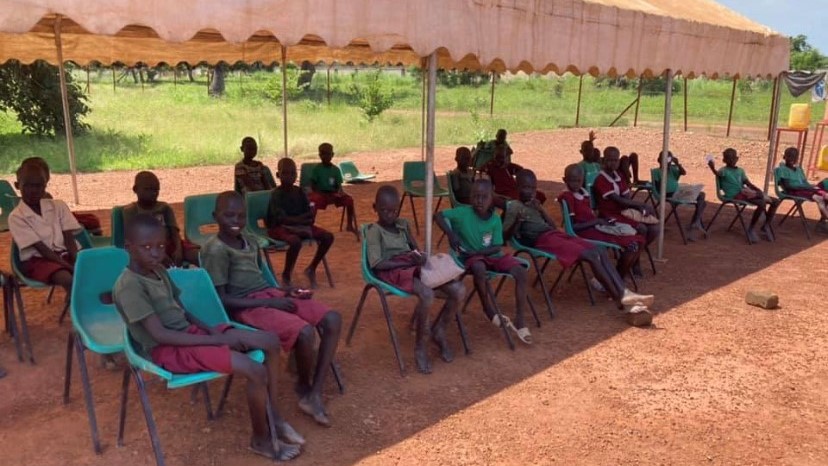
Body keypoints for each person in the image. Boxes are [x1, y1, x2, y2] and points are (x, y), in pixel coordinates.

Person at [113, 213, 303, 460]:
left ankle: (274, 416)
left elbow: (182, 310)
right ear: (128, 247)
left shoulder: (159, 270)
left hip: (191, 335)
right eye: (146, 247)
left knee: (269, 341)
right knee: (255, 370)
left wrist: (213, 330)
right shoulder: (129, 285)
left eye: (160, 246)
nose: (155, 253)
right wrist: (217, 340)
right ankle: (261, 440)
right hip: (166, 349)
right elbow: (160, 334)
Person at [202, 191, 342, 427]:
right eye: (229, 215)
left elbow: (262, 281)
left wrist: (287, 292)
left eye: (241, 216)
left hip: (268, 296)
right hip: (246, 308)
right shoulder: (215, 250)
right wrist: (270, 302)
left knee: (332, 319)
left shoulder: (249, 241)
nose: (235, 221)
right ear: (215, 216)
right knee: (305, 332)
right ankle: (304, 385)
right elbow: (222, 300)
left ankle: (314, 392)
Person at [505, 169, 653, 317]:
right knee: (590, 255)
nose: (530, 191)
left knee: (598, 250)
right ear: (517, 187)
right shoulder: (514, 207)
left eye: (533, 188)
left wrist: (541, 210)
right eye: (525, 187)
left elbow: (552, 226)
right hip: (540, 240)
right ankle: (620, 300)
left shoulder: (534, 204)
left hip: (554, 234)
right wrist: (517, 223)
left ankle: (624, 292)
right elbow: (504, 236)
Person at [366, 186, 466, 374]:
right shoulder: (374, 231)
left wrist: (419, 256)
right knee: (427, 294)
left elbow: (415, 248)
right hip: (392, 270)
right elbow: (377, 264)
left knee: (459, 289)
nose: (389, 215)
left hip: (412, 267)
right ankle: (421, 345)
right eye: (384, 210)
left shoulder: (403, 224)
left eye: (393, 210)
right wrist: (404, 263)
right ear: (375, 208)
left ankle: (440, 330)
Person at [436, 179, 532, 344]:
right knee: (479, 267)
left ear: (492, 197)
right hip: (471, 257)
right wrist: (450, 234)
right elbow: (438, 215)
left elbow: (496, 247)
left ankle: (520, 319)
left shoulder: (494, 219)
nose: (479, 201)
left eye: (484, 197)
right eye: (475, 196)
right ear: (470, 197)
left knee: (521, 272)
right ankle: (488, 309)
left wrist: (480, 251)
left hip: (490, 255)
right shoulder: (463, 212)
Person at [558, 164, 645, 281]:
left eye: (578, 181)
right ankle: (614, 280)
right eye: (572, 181)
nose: (575, 184)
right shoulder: (567, 197)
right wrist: (597, 221)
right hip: (584, 232)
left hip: (594, 227)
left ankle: (614, 278)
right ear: (564, 180)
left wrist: (601, 221)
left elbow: (589, 216)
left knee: (637, 241)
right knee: (632, 245)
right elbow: (573, 227)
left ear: (583, 180)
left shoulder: (582, 193)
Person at [9, 162, 80, 299]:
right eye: (28, 185)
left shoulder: (58, 206)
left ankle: (86, 305)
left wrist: (78, 261)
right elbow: (43, 250)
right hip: (38, 261)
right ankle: (79, 313)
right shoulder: (16, 216)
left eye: (39, 185)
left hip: (65, 254)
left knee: (96, 271)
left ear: (45, 186)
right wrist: (71, 268)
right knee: (67, 278)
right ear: (17, 186)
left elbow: (69, 238)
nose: (33, 190)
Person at [266, 158, 334, 288]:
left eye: (292, 173)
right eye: (285, 173)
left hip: (300, 225)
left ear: (296, 175)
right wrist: (302, 219)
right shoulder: (276, 194)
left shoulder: (299, 191)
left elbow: (309, 212)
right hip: (279, 228)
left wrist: (302, 220)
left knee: (328, 237)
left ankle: (311, 268)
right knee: (295, 241)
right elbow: (281, 219)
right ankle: (286, 274)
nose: (289, 177)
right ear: (278, 175)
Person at [123, 171, 200, 267]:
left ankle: (209, 280)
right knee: (156, 263)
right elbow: (134, 239)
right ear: (135, 189)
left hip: (169, 243)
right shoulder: (131, 211)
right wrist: (161, 254)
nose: (153, 193)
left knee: (198, 256)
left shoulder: (164, 207)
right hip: (147, 247)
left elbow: (174, 233)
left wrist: (178, 250)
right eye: (147, 189)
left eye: (156, 190)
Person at [708, 148, 780, 242]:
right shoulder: (723, 170)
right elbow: (717, 174)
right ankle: (751, 228)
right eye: (728, 158)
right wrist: (712, 168)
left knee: (775, 201)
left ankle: (766, 225)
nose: (731, 160)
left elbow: (748, 183)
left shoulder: (740, 171)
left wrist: (758, 190)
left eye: (733, 158)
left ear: (737, 159)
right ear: (724, 160)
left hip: (745, 192)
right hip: (734, 195)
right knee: (762, 203)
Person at [20, 157, 103, 236]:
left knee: (90, 218)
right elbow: (54, 220)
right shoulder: (42, 197)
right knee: (93, 220)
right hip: (58, 224)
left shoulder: (28, 199)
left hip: (59, 221)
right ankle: (95, 245)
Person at [308, 143, 358, 238]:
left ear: (332, 155)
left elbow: (338, 186)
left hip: (332, 194)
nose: (326, 156)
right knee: (313, 202)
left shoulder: (335, 170)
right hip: (320, 194)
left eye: (328, 154)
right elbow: (313, 185)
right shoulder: (317, 169)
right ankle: (310, 226)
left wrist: (339, 193)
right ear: (320, 155)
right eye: (323, 154)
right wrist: (319, 193)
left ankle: (350, 225)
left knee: (349, 199)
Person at [655, 151, 707, 239]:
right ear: (659, 160)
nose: (666, 162)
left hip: (678, 192)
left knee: (701, 196)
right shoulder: (656, 172)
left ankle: (696, 221)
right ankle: (695, 222)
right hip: (668, 194)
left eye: (668, 159)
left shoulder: (672, 170)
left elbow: (683, 173)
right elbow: (657, 188)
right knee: (702, 203)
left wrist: (678, 164)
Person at [776, 147, 828, 233]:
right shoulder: (783, 170)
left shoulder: (799, 170)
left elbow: (805, 182)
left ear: (797, 158)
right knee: (819, 198)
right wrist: (806, 187)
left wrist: (811, 187)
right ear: (784, 157)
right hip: (794, 191)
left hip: (805, 189)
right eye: (789, 156)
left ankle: (822, 223)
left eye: (794, 157)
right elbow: (788, 186)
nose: (792, 159)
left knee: (826, 195)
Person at [483, 145, 547, 208]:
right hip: (504, 193)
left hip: (515, 190)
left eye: (503, 157)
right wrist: (496, 195)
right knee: (520, 200)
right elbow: (488, 184)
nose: (500, 160)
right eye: (498, 157)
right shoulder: (490, 167)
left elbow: (522, 172)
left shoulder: (508, 166)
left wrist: (507, 165)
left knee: (540, 195)